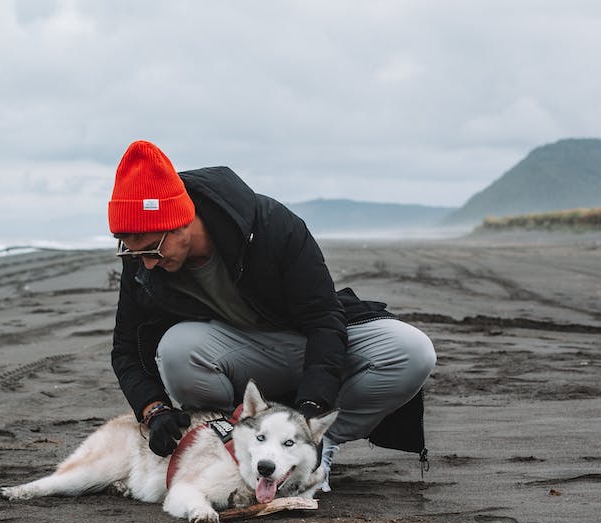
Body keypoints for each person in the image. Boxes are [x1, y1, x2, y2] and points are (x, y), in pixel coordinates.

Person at [108, 139, 436, 489]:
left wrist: (313, 407)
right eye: (133, 253)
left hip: (305, 339)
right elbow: (125, 348)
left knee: (413, 351)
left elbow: (324, 319)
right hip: (240, 357)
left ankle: (311, 446)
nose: (147, 263)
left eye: (153, 250)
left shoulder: (269, 225)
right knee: (176, 349)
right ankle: (236, 442)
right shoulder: (144, 261)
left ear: (182, 221)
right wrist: (154, 410)